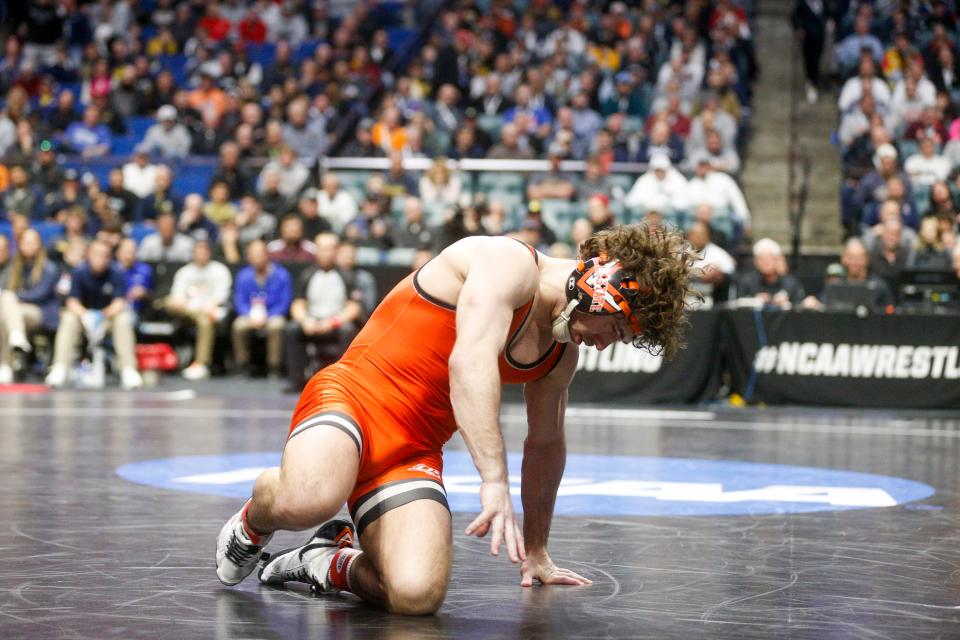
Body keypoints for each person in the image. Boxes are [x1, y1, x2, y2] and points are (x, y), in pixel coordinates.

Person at [215, 226, 697, 615]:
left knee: (416, 595)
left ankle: (323, 562)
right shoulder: (508, 264)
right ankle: (256, 520)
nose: (605, 344)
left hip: (412, 451)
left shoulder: (558, 357)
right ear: (598, 289)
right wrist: (492, 479)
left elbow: (546, 444)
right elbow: (468, 361)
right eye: (614, 328)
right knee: (310, 498)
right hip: (354, 398)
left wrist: (537, 550)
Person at [45, 239, 142, 389]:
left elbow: (120, 302)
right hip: (83, 317)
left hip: (107, 317)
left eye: (105, 255)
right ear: (88, 255)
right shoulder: (79, 271)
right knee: (68, 318)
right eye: (96, 254)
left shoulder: (117, 271)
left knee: (123, 319)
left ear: (109, 257)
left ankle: (128, 370)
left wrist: (101, 315)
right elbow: (72, 301)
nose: (100, 259)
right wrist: (86, 315)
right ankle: (60, 367)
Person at [283, 233, 363, 391]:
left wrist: (332, 322)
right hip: (312, 322)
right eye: (322, 249)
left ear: (336, 251)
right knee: (292, 329)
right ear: (316, 251)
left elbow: (354, 307)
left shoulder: (347, 276)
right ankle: (297, 381)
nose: (325, 253)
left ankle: (342, 381)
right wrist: (305, 320)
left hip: (335, 323)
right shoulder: (307, 275)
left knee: (348, 330)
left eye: (329, 249)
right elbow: (298, 304)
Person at [165, 240, 232, 380]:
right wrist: (181, 301)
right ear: (193, 254)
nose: (201, 255)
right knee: (168, 302)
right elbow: (177, 296)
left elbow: (222, 296)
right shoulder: (185, 272)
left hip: (210, 311)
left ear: (209, 253)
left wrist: (209, 305)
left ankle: (201, 364)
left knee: (204, 321)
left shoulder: (219, 270)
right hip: (187, 312)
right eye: (198, 252)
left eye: (204, 252)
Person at [0, 229, 60, 383]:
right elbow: (5, 287)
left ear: (39, 245)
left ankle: (6, 362)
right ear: (19, 245)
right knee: (4, 315)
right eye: (25, 242)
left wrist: (18, 296)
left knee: (7, 300)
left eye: (33, 242)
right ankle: (11, 353)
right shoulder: (14, 266)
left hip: (42, 312)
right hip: (17, 313)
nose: (29, 246)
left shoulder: (49, 267)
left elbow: (40, 294)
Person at [232, 240, 293, 378]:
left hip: (273, 314)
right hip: (250, 315)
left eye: (260, 254)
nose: (257, 258)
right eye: (253, 255)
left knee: (276, 326)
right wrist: (249, 315)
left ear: (267, 255)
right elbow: (239, 301)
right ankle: (243, 365)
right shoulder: (243, 275)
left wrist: (268, 316)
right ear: (248, 257)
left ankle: (274, 367)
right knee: (239, 325)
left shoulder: (281, 274)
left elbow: (284, 302)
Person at [735, 238, 805, 309]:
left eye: (769, 258)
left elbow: (800, 306)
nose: (765, 262)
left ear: (777, 259)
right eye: (761, 258)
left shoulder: (791, 283)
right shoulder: (746, 281)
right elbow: (737, 303)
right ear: (755, 261)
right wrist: (755, 301)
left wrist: (786, 304)